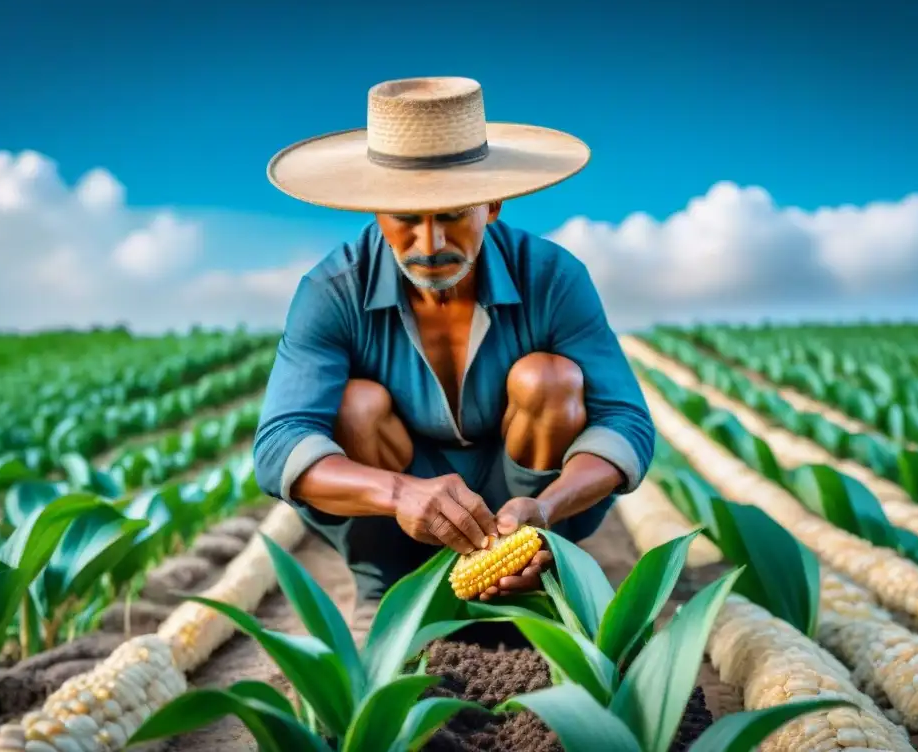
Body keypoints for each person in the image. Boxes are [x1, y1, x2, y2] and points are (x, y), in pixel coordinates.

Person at [253, 76, 655, 643]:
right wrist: (400, 494)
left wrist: (545, 508)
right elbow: (277, 446)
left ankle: (531, 578)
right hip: (397, 500)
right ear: (375, 209)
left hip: (524, 497)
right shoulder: (332, 290)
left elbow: (626, 423)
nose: (429, 241)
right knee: (355, 405)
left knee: (549, 379)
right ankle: (390, 589)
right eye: (405, 218)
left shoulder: (553, 277)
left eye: (450, 215)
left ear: (491, 204)